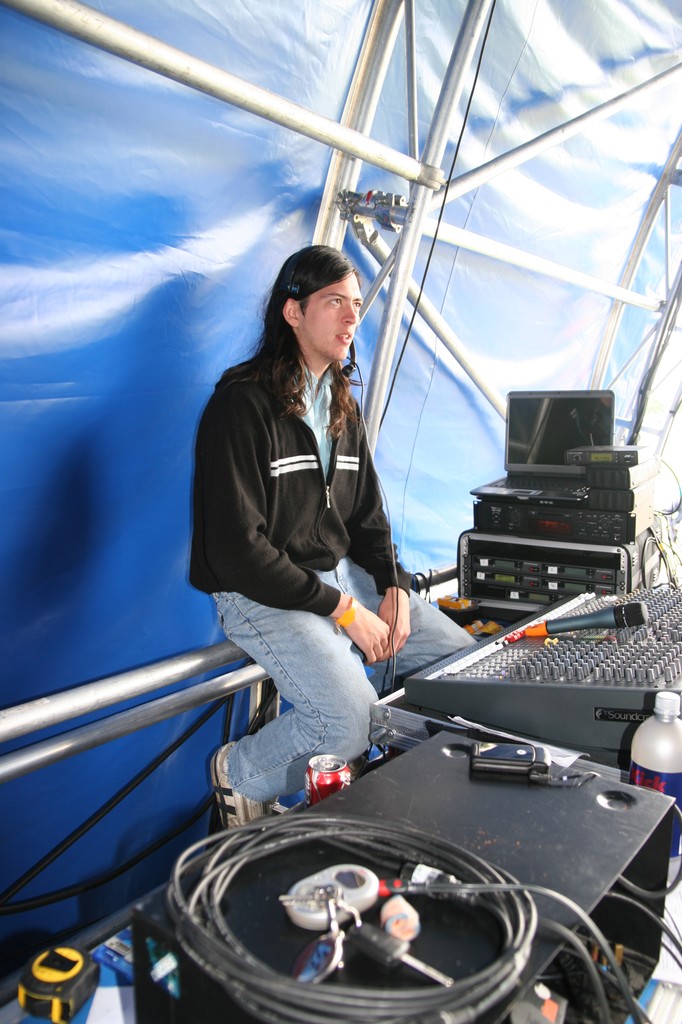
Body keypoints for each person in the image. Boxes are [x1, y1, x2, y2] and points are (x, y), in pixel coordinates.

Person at [190, 244, 474, 828]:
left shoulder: (342, 405)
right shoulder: (241, 404)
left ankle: (398, 799)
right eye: (335, 302)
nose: (352, 317)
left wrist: (393, 588)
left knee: (460, 669)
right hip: (262, 592)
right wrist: (345, 612)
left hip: (345, 581)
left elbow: (369, 519)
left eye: (357, 304)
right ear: (293, 312)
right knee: (350, 722)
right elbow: (238, 550)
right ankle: (241, 774)